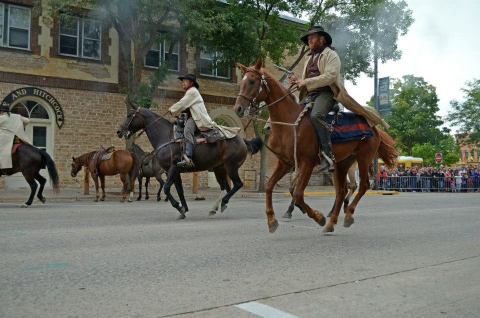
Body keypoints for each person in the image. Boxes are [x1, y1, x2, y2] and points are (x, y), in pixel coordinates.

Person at [289, 26, 389, 172]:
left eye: (313, 37)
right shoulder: (308, 59)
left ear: (322, 39)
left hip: (327, 94)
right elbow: (306, 81)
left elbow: (330, 76)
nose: (309, 40)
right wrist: (297, 81)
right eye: (308, 38)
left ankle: (328, 156)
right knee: (291, 114)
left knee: (316, 115)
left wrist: (306, 82)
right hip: (310, 95)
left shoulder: (331, 55)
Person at [168, 74, 238, 168]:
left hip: (198, 120)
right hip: (194, 118)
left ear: (191, 83)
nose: (182, 83)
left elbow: (182, 103)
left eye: (185, 81)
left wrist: (171, 109)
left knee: (187, 130)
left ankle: (188, 157)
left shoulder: (192, 92)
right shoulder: (191, 93)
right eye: (182, 81)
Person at [0, 104, 31, 170]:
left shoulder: (1, 118)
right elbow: (28, 121)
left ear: (1, 112)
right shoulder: (17, 116)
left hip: (6, 139)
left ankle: (3, 167)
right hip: (19, 138)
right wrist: (22, 126)